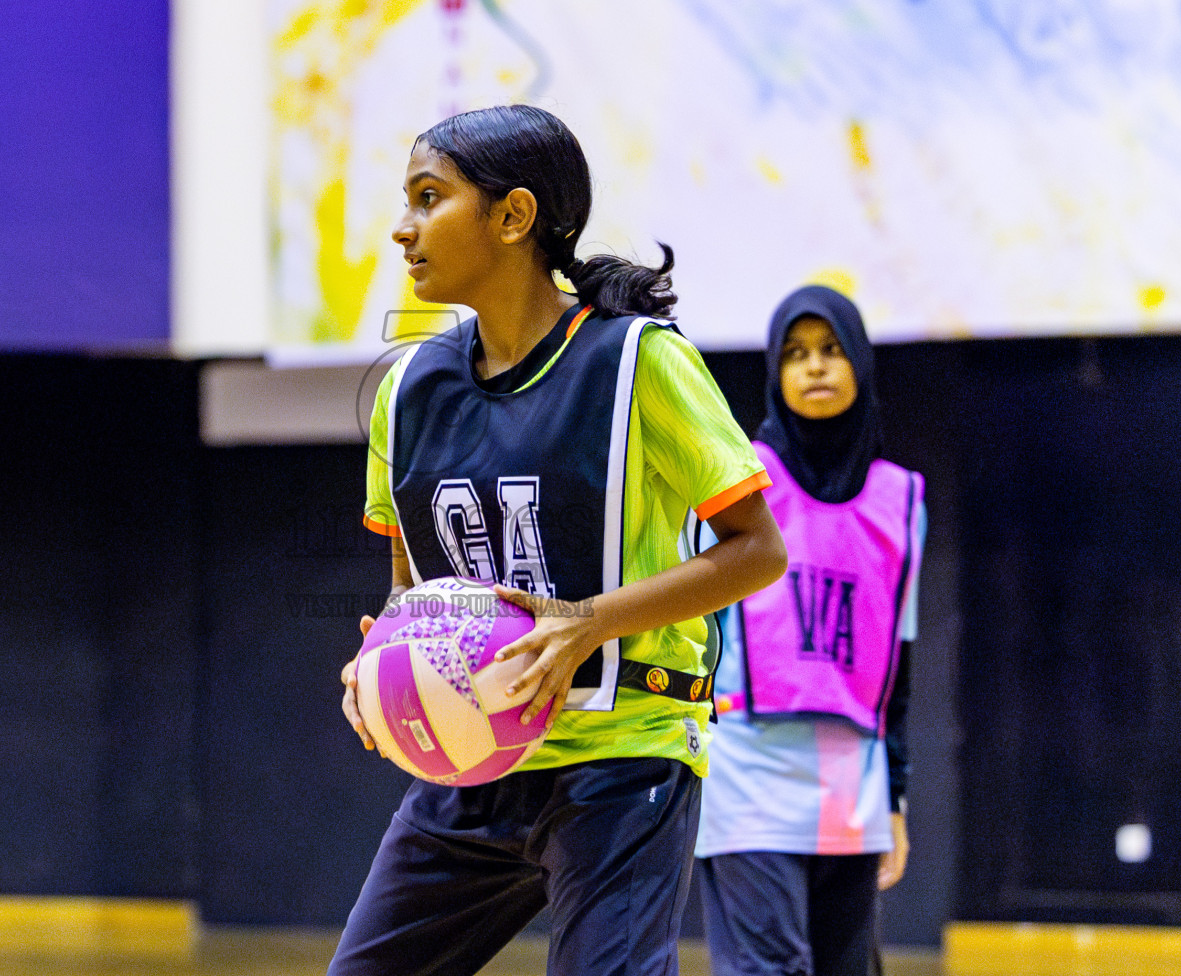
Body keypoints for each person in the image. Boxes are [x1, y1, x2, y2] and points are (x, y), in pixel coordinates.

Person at [331, 103, 789, 976]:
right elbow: (411, 588)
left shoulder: (637, 361)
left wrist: (588, 620)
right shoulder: (407, 391)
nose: (402, 229)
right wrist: (381, 663)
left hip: (625, 750)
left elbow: (758, 549)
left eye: (429, 199)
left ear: (514, 217)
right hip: (475, 751)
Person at [693, 285, 926, 976]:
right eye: (795, 354)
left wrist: (896, 799)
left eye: (830, 350)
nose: (815, 367)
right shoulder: (739, 482)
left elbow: (898, 672)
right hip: (747, 773)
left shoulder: (901, 498)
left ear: (859, 362)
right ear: (774, 373)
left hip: (851, 782)